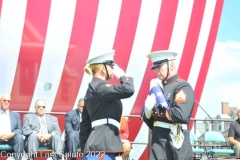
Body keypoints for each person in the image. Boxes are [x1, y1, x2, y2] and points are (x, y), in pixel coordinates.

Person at [80, 50, 135, 160]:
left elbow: (85, 126)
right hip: (102, 147)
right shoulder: (100, 87)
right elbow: (128, 89)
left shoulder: (93, 88)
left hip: (96, 148)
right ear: (102, 69)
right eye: (111, 66)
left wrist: (85, 152)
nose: (114, 69)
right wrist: (123, 77)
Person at [143, 50, 195, 160]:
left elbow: (180, 114)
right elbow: (153, 123)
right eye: (155, 68)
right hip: (158, 142)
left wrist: (152, 110)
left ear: (171, 65)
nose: (156, 71)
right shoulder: (158, 88)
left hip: (174, 145)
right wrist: (146, 114)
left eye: (159, 66)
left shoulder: (182, 86)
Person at [0, 93, 24, 160]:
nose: (6, 102)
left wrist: (12, 134)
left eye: (8, 101)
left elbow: (19, 129)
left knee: (19, 137)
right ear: (0, 101)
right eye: (4, 100)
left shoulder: (15, 115)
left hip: (11, 138)